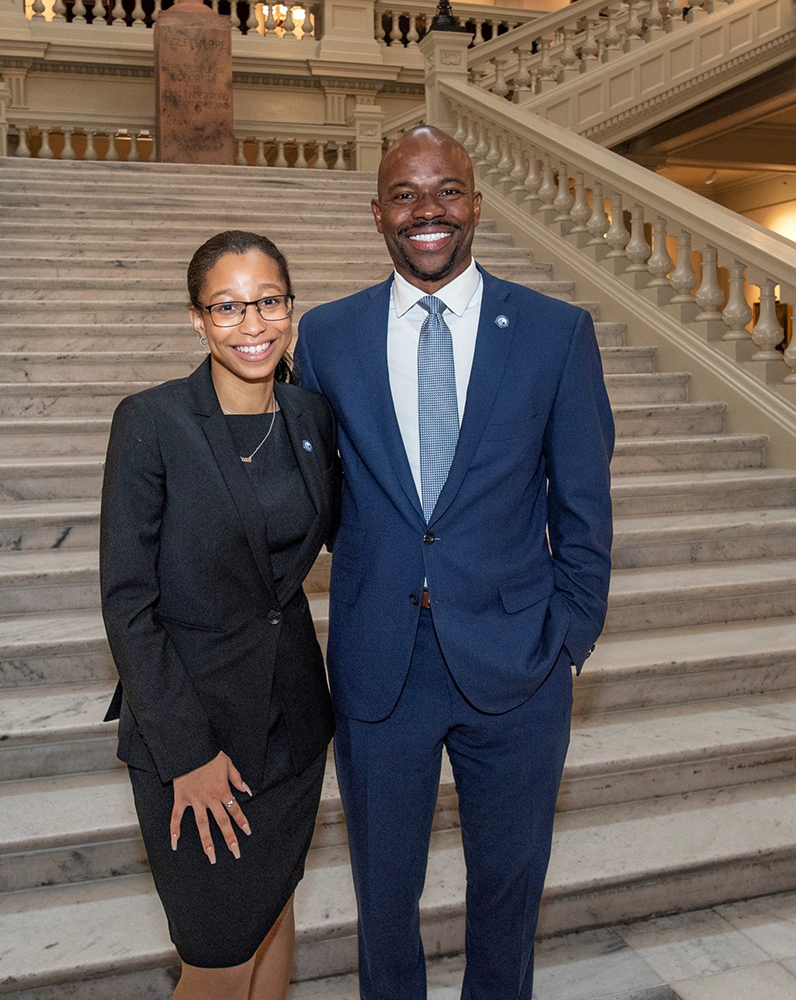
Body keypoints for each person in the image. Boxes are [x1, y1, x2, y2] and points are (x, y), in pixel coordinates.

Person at [294, 126, 615, 1000]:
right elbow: (308, 495)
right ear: (377, 214)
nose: (425, 210)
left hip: (517, 665)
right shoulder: (327, 336)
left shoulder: (555, 333)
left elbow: (584, 506)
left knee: (508, 897)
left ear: (475, 204)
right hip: (378, 667)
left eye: (444, 191)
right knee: (383, 900)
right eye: (404, 194)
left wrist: (567, 642)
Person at [99, 231, 340, 1000]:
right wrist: (186, 755)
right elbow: (128, 603)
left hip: (292, 728)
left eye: (268, 301)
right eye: (227, 307)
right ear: (196, 320)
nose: (252, 323)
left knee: (273, 915)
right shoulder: (153, 422)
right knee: (217, 954)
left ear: (290, 308)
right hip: (196, 735)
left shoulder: (310, 414)